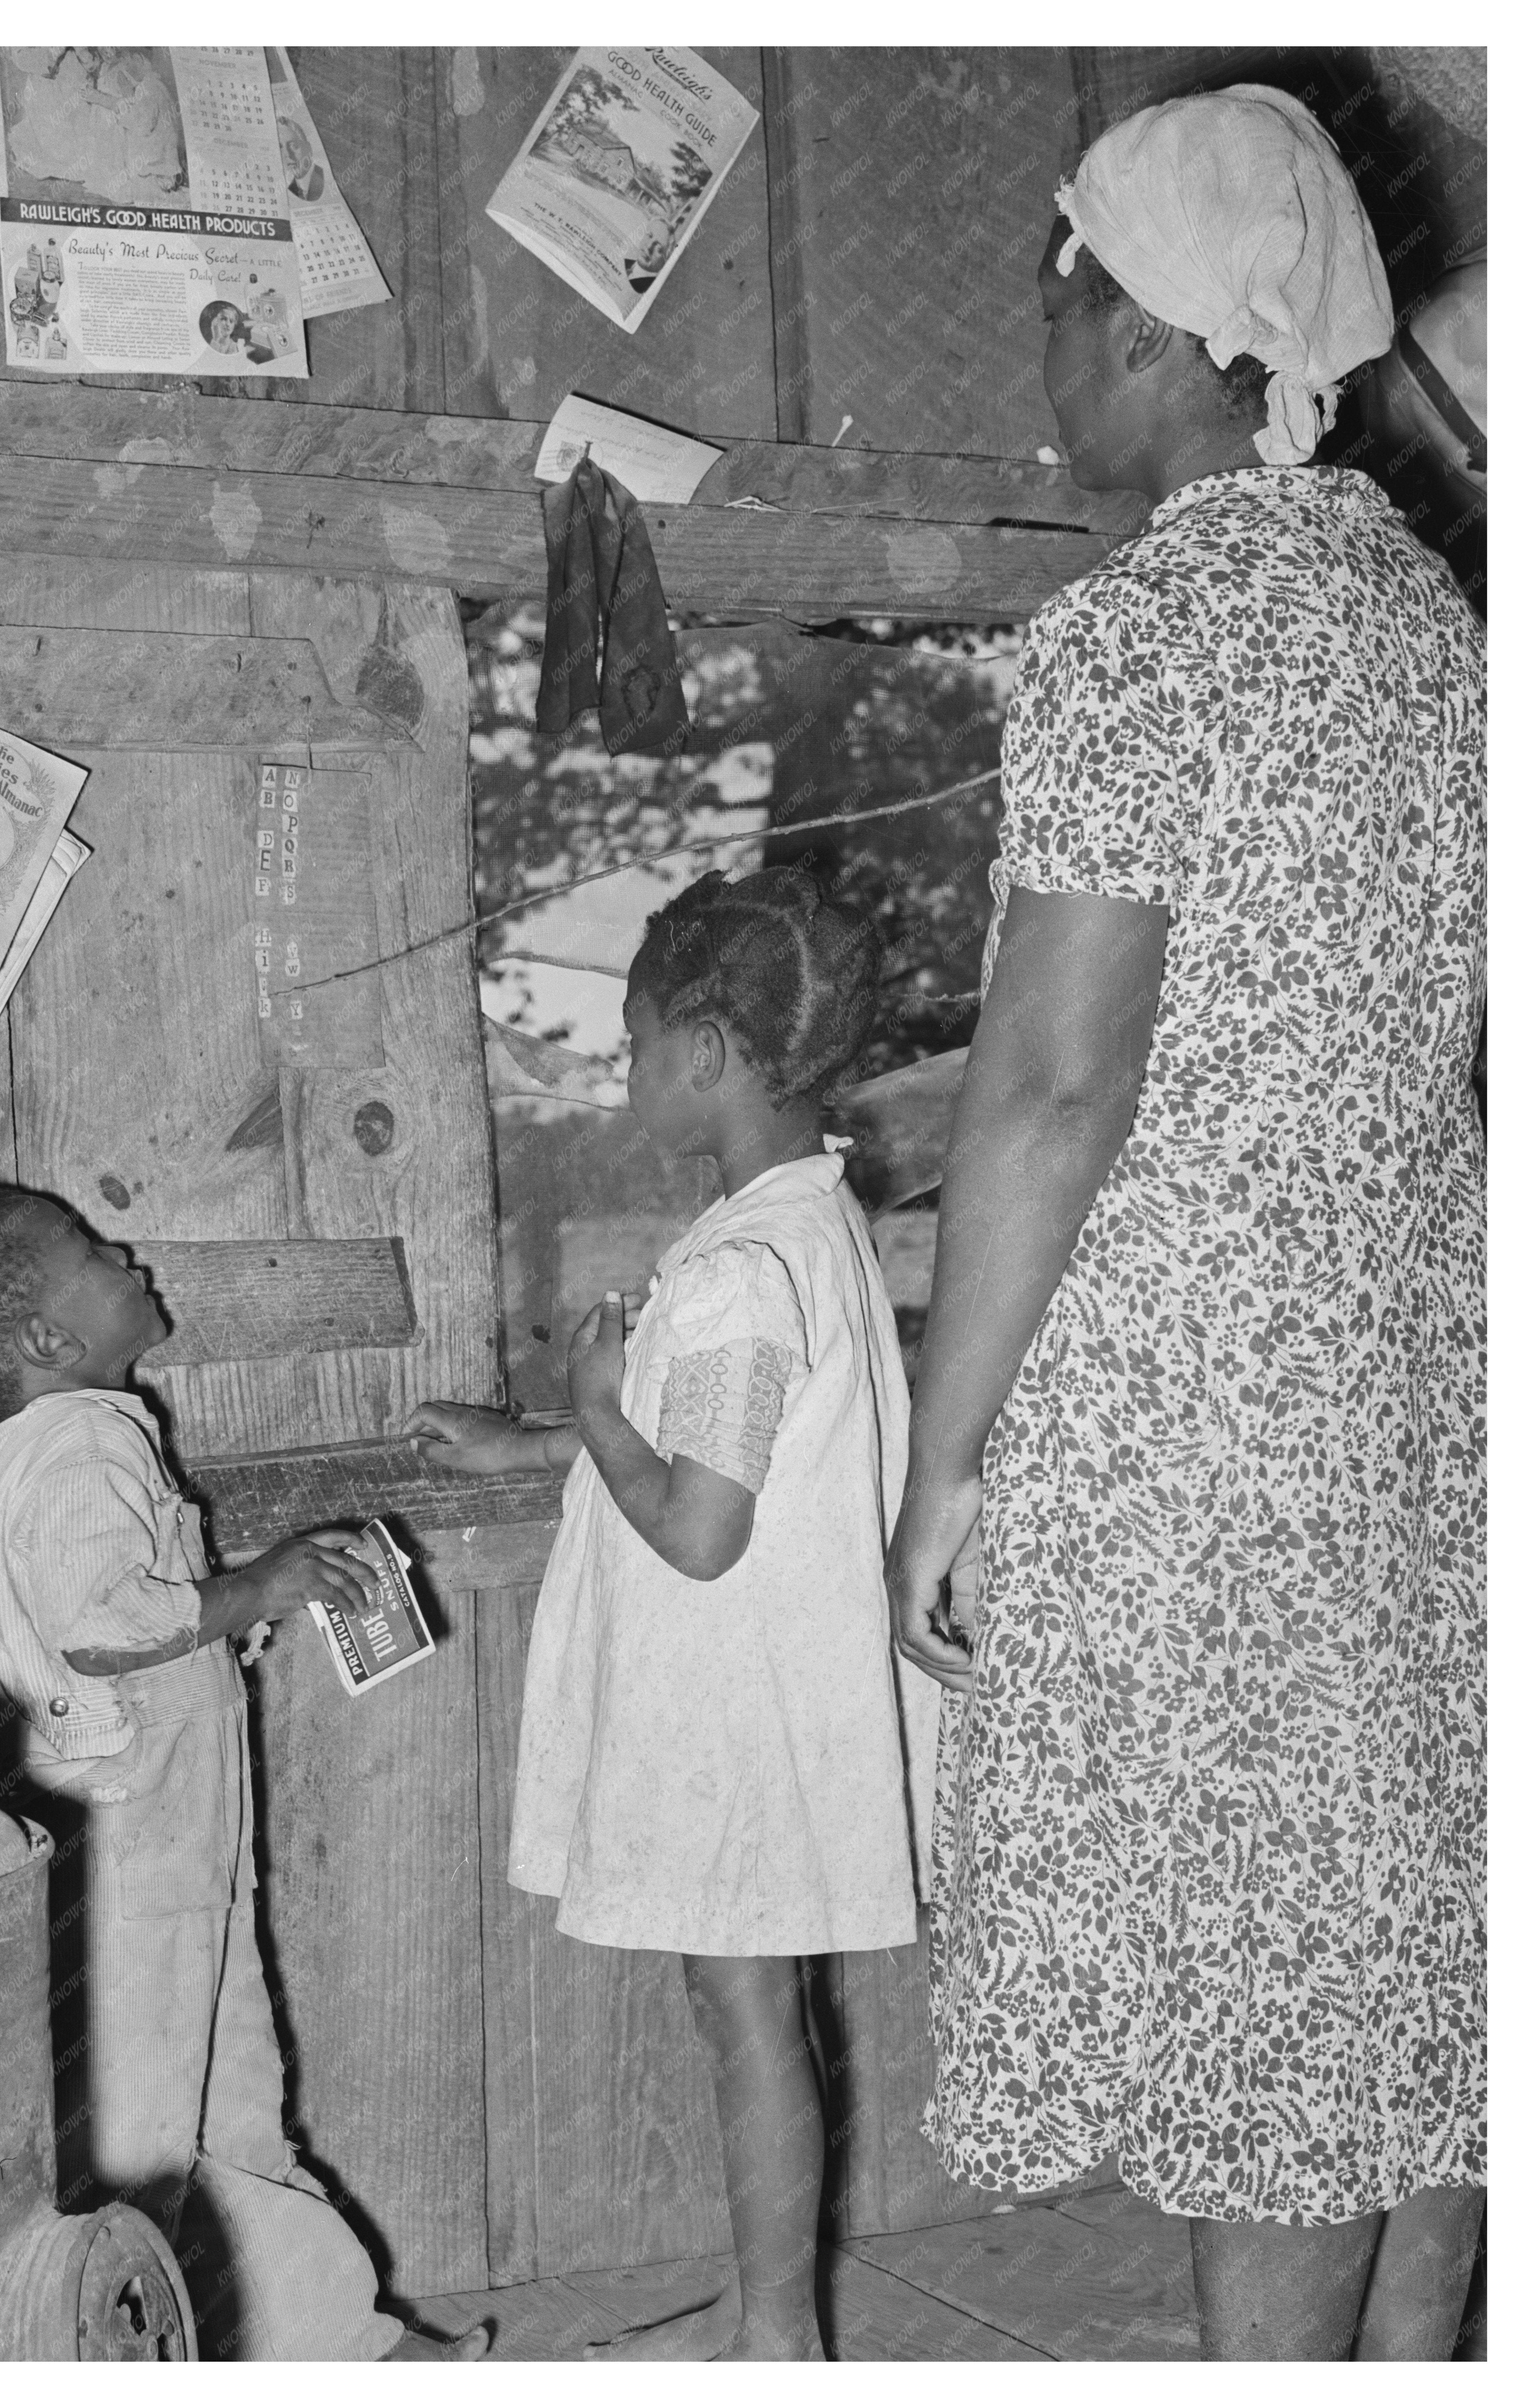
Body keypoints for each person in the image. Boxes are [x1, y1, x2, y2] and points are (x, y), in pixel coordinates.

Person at [884, 86, 1486, 2361]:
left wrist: (946, 1463)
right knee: (1409, 1972)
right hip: (1416, 1392)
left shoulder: (1141, 635)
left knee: (1263, 2018)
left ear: (1141, 338)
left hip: (1210, 1428)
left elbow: (1049, 1084)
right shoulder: (1433, 625)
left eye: (1056, 300)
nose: (1043, 350)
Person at [406, 869, 940, 2361]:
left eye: (637, 1046)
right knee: (750, 2003)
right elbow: (735, 1440)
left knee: (747, 2011)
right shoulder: (804, 1223)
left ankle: (779, 2340)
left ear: (706, 1055)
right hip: (773, 1690)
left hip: (737, 1696)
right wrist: (535, 1441)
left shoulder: (735, 1276)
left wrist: (591, 1401)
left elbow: (701, 1525)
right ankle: (761, 2306)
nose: (631, 1075)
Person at [0, 1184, 488, 2364]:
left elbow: (137, 1620)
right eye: (100, 1254)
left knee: (231, 2112)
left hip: (175, 1850)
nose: (131, 1256)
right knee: (161, 2142)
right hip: (140, 1853)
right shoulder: (82, 1447)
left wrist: (253, 1598)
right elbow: (104, 1623)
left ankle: (346, 2352)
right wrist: (262, 1587)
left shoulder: (82, 1439)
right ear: (49, 1343)